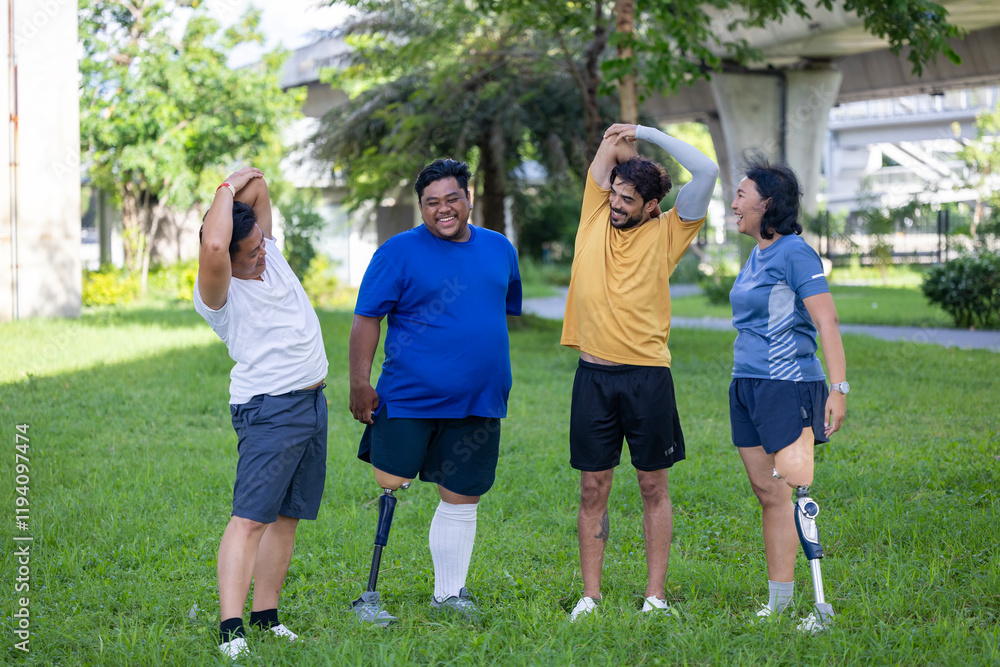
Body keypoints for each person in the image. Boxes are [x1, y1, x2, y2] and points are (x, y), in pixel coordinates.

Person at [348, 158, 522, 624]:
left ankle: (449, 595)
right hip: (410, 397)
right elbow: (367, 318)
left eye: (452, 199)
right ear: (420, 206)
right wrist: (360, 382)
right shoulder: (397, 252)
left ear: (469, 198)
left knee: (463, 494)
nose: (443, 209)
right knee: (390, 482)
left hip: (479, 400)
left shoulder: (500, 248)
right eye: (431, 203)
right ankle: (369, 596)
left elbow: (496, 311)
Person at [561, 123, 719, 620]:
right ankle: (590, 597)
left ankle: (655, 597)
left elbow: (707, 170)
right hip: (593, 377)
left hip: (647, 377)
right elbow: (611, 147)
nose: (616, 203)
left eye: (628, 199)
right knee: (592, 487)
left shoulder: (670, 230)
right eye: (615, 193)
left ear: (651, 206)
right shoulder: (594, 212)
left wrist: (650, 132)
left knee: (653, 485)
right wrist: (627, 145)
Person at [193, 167, 329, 659]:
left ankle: (266, 616)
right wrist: (224, 189)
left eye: (261, 245)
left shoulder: (267, 252)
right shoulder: (219, 294)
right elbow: (214, 244)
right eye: (250, 252)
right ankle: (231, 631)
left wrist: (242, 202)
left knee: (286, 517)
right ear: (225, 260)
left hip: (312, 403)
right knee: (250, 519)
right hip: (270, 409)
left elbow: (261, 190)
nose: (262, 253)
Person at [728, 155, 847, 632]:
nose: (733, 204)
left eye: (741, 195)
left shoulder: (796, 252)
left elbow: (827, 321)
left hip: (789, 383)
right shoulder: (758, 253)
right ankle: (778, 604)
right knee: (768, 493)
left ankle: (820, 608)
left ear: (767, 203)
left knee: (797, 488)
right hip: (747, 384)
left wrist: (838, 388)